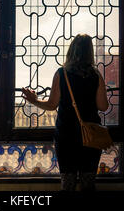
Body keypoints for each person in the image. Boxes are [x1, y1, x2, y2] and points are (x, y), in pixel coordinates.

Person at [22, 34, 109, 192]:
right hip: (90, 136)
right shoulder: (96, 76)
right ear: (90, 52)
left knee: (67, 183)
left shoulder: (62, 74)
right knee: (88, 183)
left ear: (71, 50)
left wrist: (34, 100)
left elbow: (51, 104)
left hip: (66, 135)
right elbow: (103, 106)